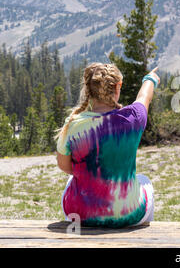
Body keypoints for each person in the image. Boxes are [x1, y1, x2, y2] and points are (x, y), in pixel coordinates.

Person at [55, 63, 160, 228]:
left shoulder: (73, 124)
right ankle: (142, 237)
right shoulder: (133, 117)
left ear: (88, 90)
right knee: (144, 180)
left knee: (71, 180)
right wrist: (150, 79)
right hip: (128, 214)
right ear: (118, 87)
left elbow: (64, 166)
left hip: (81, 215)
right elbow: (144, 98)